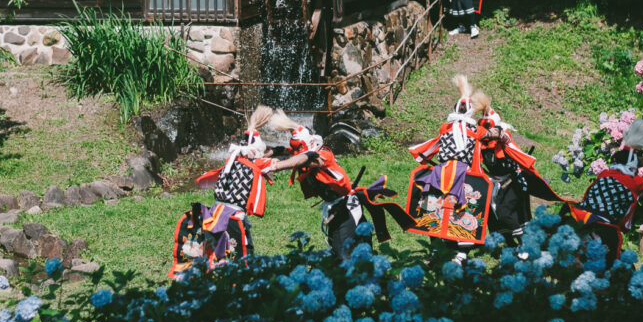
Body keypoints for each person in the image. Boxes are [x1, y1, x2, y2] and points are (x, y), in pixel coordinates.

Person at [264, 110, 414, 259]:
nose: (295, 152)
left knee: (345, 253)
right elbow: (280, 150)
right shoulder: (303, 153)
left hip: (346, 207)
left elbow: (305, 158)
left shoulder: (323, 155)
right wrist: (259, 153)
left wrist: (276, 166)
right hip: (335, 206)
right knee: (340, 249)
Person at [404, 75, 494, 260]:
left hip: (440, 172)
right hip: (464, 173)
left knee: (435, 204)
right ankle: (459, 253)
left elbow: (435, 144)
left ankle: (438, 248)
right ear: (470, 111)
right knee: (460, 207)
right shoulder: (475, 130)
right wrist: (491, 120)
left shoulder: (445, 127)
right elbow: (489, 133)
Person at [562, 118, 643, 258]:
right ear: (633, 165)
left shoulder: (604, 174)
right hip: (607, 229)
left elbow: (628, 155)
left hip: (583, 219)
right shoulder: (634, 182)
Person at [473, 92, 565, 245]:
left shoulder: (504, 138)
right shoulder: (480, 141)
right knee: (494, 215)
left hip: (513, 181)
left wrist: (501, 136)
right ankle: (511, 245)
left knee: (511, 215)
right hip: (495, 183)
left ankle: (528, 247)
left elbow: (512, 147)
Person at [191, 105, 275, 257]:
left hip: (216, 211)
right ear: (254, 152)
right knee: (244, 253)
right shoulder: (255, 163)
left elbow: (266, 153)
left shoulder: (233, 158)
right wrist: (306, 157)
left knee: (213, 250)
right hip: (233, 216)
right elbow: (276, 162)